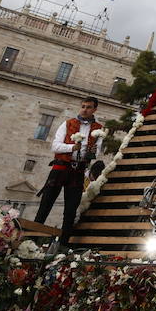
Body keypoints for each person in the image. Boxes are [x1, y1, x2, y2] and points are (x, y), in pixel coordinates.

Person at [34, 96, 104, 247]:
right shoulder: (67, 123)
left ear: (94, 109)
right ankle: (31, 240)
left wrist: (90, 153)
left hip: (78, 171)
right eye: (83, 106)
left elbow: (96, 152)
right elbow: (55, 146)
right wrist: (71, 148)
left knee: (71, 210)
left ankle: (63, 246)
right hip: (60, 168)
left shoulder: (98, 129)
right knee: (46, 204)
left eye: (88, 107)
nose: (84, 109)